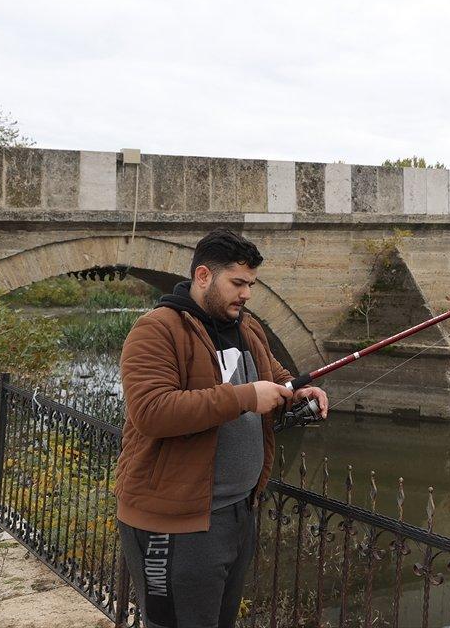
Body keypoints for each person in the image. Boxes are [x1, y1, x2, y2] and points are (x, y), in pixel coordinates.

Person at [114, 227, 328, 628]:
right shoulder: (156, 329)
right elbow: (151, 411)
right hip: (176, 523)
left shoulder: (247, 328)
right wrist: (245, 397)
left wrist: (298, 393)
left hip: (237, 514)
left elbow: (275, 378)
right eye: (238, 283)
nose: (247, 293)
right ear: (203, 276)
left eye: (251, 284)